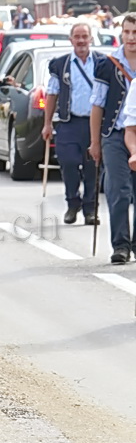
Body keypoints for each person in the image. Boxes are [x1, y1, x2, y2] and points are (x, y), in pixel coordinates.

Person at [42, 23, 103, 225]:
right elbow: (52, 94)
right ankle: (72, 202)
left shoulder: (102, 62)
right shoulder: (61, 64)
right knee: (68, 162)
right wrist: (47, 123)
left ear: (91, 39)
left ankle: (90, 209)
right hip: (69, 123)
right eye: (77, 36)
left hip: (94, 125)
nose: (81, 40)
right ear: (71, 40)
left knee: (92, 167)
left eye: (84, 36)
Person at [89, 13, 136, 264]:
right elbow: (97, 105)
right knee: (119, 190)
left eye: (135, 33)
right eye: (127, 32)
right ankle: (121, 245)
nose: (131, 38)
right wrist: (95, 141)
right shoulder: (107, 64)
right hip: (115, 136)